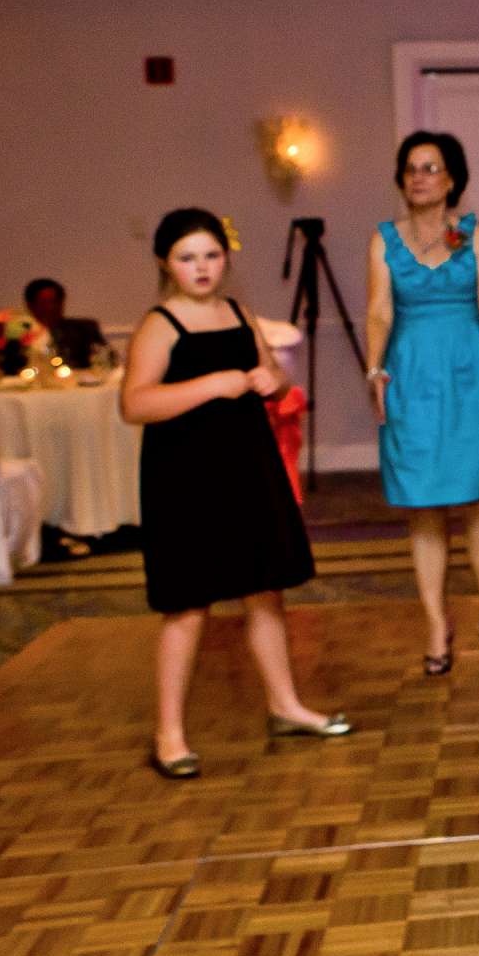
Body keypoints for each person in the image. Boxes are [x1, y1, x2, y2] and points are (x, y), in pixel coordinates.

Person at [121, 209, 344, 778]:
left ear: (226, 258)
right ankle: (168, 733)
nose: (201, 268)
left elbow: (272, 376)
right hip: (185, 476)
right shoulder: (159, 324)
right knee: (188, 605)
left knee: (264, 591)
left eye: (211, 255)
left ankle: (285, 705)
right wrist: (210, 386)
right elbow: (135, 404)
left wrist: (278, 382)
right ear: (166, 264)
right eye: (187, 257)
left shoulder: (238, 312)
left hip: (246, 464)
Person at [365, 131, 479, 678]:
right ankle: (437, 624)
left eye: (431, 168)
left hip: (470, 377)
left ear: (452, 179)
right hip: (410, 376)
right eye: (411, 167)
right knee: (424, 505)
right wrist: (375, 369)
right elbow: (379, 312)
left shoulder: (475, 237)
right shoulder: (383, 239)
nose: (420, 177)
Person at [24, 277, 107, 369]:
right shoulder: (20, 334)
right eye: (44, 302)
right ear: (30, 305)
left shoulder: (84, 329)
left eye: (55, 301)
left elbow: (106, 359)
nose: (51, 307)